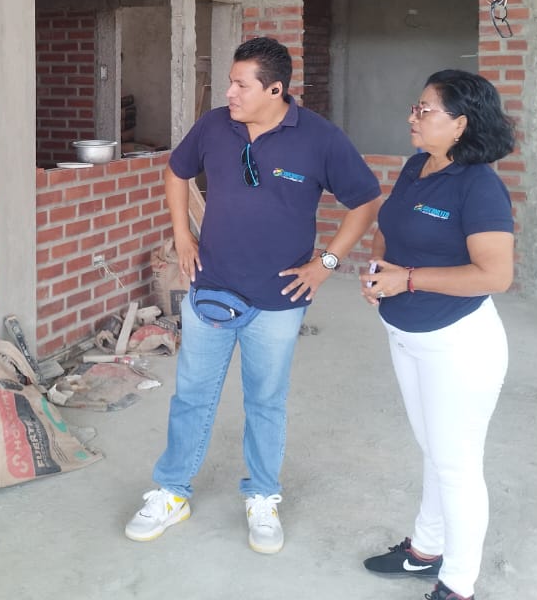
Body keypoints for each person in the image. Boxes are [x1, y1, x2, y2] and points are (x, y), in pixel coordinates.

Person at [124, 36, 379, 554]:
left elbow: (365, 201)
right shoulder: (214, 126)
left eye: (241, 85)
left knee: (265, 402)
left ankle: (262, 495)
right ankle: (172, 492)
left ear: (275, 89)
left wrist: (326, 263)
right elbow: (176, 172)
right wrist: (182, 235)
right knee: (191, 397)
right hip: (212, 289)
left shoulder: (319, 138)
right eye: (230, 83)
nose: (230, 93)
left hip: (278, 299)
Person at [359, 69, 517, 600]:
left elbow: (495, 275)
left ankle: (458, 584)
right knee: (434, 449)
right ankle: (425, 551)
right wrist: (379, 271)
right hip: (406, 335)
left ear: (460, 124)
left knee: (457, 464)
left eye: (424, 109)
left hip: (458, 345)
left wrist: (408, 279)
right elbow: (389, 226)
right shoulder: (417, 166)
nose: (413, 116)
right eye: (415, 106)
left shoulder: (480, 186)